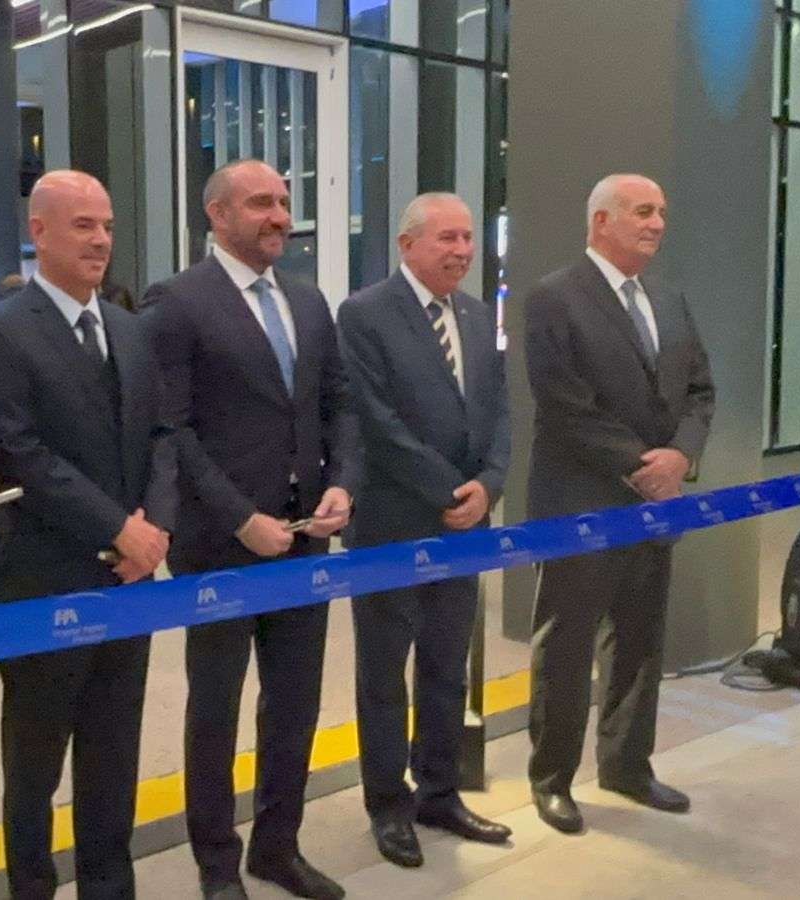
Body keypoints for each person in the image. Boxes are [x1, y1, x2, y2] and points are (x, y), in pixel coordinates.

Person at [144, 159, 357, 900]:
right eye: (262, 202)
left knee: (294, 704)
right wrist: (239, 517)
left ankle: (277, 847)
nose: (280, 217)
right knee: (216, 709)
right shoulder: (177, 302)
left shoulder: (308, 301)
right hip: (219, 546)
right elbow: (170, 429)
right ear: (217, 214)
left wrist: (341, 483)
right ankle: (216, 865)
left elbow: (339, 403)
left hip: (304, 539)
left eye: (285, 202)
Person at [0, 170, 176, 899]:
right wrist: (118, 528)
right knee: (34, 766)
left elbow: (161, 436)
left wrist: (154, 529)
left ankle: (109, 887)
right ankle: (31, 887)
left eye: (107, 226)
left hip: (128, 582)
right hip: (43, 582)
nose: (100, 240)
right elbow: (19, 453)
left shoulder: (129, 328)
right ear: (40, 232)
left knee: (113, 757)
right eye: (83, 225)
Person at [523, 173, 716, 834]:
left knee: (639, 641)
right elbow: (563, 403)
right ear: (601, 220)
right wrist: (643, 466)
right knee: (567, 646)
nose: (657, 223)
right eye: (642, 211)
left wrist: (681, 456)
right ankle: (552, 779)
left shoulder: (670, 298)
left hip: (655, 507)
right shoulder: (554, 297)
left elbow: (700, 390)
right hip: (580, 503)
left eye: (661, 211)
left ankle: (628, 766)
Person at [337, 193, 512, 869]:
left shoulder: (477, 315)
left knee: (446, 667)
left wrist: (488, 485)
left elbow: (499, 412)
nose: (462, 251)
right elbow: (375, 420)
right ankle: (388, 804)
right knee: (385, 675)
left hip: (465, 527)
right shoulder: (365, 314)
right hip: (393, 525)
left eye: (468, 238)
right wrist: (448, 491)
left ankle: (440, 791)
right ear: (407, 244)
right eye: (447, 238)